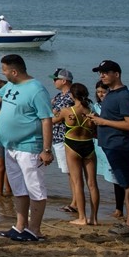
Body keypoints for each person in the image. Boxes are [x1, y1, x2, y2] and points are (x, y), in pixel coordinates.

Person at [0, 54, 52, 242]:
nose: (2, 72)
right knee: (19, 188)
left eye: (4, 70)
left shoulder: (36, 89)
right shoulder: (11, 85)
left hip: (29, 146)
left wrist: (46, 150)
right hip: (10, 146)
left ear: (14, 71)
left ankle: (35, 230)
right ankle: (20, 226)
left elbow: (46, 119)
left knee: (35, 188)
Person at [89, 60, 129, 236]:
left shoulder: (124, 96)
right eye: (100, 72)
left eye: (105, 72)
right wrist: (97, 122)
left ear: (116, 74)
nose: (101, 75)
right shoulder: (111, 94)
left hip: (120, 146)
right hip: (111, 145)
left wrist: (103, 122)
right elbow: (113, 119)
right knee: (125, 184)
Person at [55, 82, 99, 225]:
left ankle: (82, 217)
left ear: (72, 95)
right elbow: (96, 132)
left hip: (72, 146)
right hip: (88, 146)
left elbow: (52, 121)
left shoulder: (67, 111)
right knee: (92, 184)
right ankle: (94, 218)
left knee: (77, 183)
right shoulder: (91, 112)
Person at [50, 69, 76, 212]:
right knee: (69, 172)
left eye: (55, 79)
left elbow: (59, 116)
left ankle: (75, 203)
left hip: (65, 137)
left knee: (72, 172)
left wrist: (52, 116)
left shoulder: (70, 97)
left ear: (64, 81)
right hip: (58, 138)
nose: (54, 82)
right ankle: (74, 201)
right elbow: (52, 110)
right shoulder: (60, 96)